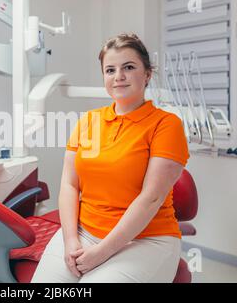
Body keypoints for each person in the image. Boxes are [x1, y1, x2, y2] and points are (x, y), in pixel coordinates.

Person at [31, 33, 190, 283]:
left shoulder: (166, 125)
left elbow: (151, 198)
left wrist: (102, 253)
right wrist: (71, 239)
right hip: (85, 232)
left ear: (147, 74)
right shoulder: (89, 121)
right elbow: (69, 185)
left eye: (128, 67)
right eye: (110, 70)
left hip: (146, 239)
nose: (119, 76)